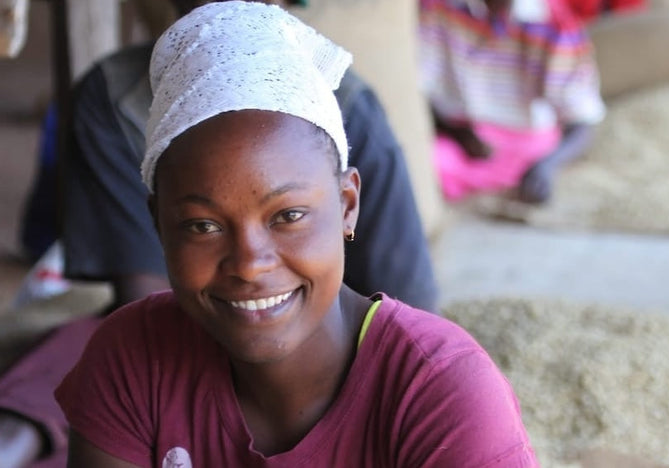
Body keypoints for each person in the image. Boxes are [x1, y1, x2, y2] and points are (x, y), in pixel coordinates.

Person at [54, 2, 537, 466]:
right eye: (204, 225)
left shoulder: (440, 393)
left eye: (287, 216)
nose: (248, 262)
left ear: (348, 206)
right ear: (158, 224)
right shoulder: (131, 359)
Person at [418, 0, 606, 203]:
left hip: (526, 148)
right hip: (456, 139)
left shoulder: (555, 24)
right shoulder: (437, 8)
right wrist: (460, 135)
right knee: (423, 163)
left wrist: (546, 166)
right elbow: (419, 89)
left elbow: (582, 121)